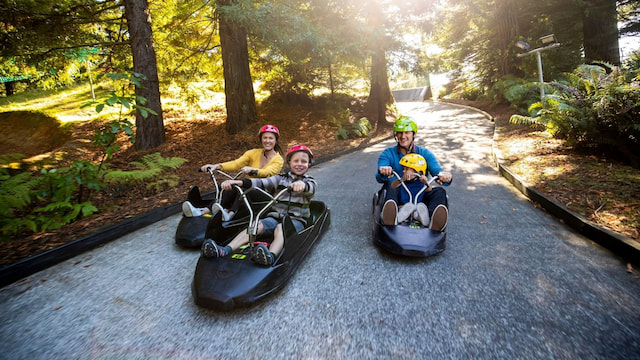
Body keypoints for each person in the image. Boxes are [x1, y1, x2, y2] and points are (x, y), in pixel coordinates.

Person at [201, 144, 317, 266]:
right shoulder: (280, 179)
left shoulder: (309, 181)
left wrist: (302, 186)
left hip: (296, 220)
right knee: (256, 224)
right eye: (296, 161)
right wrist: (238, 182)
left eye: (304, 161)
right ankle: (224, 250)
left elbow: (311, 188)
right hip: (275, 217)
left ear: (309, 164)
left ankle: (270, 256)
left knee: (280, 228)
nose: (299, 164)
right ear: (289, 162)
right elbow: (260, 182)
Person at [182, 124, 284, 220]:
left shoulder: (278, 160)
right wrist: (217, 166)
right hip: (248, 186)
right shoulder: (253, 153)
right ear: (261, 139)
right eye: (265, 138)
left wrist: (252, 170)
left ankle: (230, 214)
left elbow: (267, 172)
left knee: (245, 189)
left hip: (265, 193)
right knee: (231, 186)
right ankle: (204, 211)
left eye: (271, 138)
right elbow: (236, 164)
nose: (267, 141)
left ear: (276, 140)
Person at [376, 116, 452, 231]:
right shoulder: (387, 154)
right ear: (396, 135)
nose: (403, 136)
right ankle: (391, 215)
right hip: (399, 193)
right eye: (400, 133)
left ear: (414, 134)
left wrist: (443, 175)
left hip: (419, 194)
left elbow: (437, 170)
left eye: (407, 132)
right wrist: (384, 171)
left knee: (439, 191)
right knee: (389, 185)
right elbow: (379, 177)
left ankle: (432, 219)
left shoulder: (424, 153)